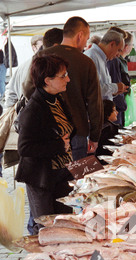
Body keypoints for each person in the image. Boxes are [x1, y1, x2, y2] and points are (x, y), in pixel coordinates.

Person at [23, 16, 103, 160]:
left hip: (46, 130)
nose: (86, 44)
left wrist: (44, 109)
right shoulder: (86, 62)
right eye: (87, 38)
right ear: (80, 36)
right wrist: (95, 136)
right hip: (77, 130)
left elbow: (27, 89)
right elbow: (94, 103)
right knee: (77, 179)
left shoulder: (41, 55)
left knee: (51, 176)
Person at [15, 54, 75, 234]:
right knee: (47, 229)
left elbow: (66, 128)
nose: (68, 79)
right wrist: (59, 146)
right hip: (41, 178)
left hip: (62, 173)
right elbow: (25, 148)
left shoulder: (57, 99)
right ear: (47, 80)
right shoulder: (33, 109)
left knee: (64, 226)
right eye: (63, 76)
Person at [85, 30, 129, 101]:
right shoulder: (92, 56)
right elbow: (92, 89)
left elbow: (101, 89)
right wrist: (116, 87)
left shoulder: (102, 58)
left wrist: (114, 92)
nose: (118, 55)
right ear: (112, 44)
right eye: (118, 50)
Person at [4, 35, 44, 109]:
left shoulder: (24, 66)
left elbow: (10, 93)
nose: (44, 49)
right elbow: (11, 92)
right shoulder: (26, 66)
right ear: (34, 47)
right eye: (42, 46)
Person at [107, 29, 133, 127]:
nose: (118, 53)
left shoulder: (112, 60)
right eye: (119, 49)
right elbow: (115, 83)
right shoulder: (113, 61)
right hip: (113, 109)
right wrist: (122, 106)